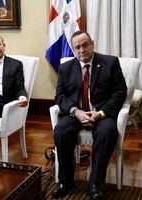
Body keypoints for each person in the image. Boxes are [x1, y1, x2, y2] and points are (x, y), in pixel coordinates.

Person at [52, 31, 127, 200]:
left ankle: (95, 183)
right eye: (77, 47)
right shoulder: (65, 67)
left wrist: (101, 113)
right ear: (73, 49)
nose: (81, 50)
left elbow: (120, 92)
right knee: (61, 131)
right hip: (75, 113)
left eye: (85, 44)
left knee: (107, 133)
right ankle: (65, 181)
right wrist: (75, 111)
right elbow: (60, 96)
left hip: (101, 113)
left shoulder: (110, 62)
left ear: (92, 44)